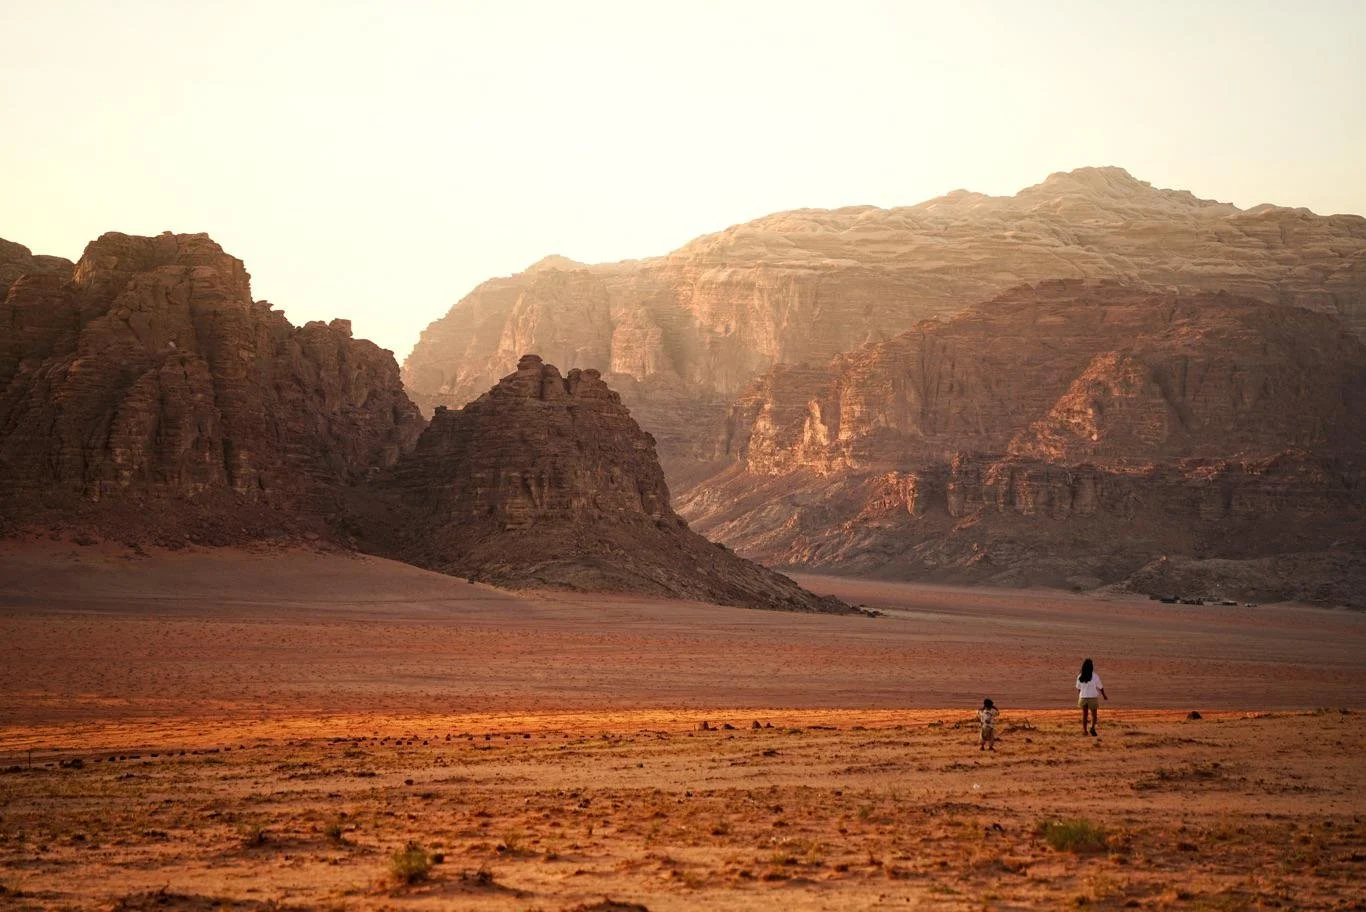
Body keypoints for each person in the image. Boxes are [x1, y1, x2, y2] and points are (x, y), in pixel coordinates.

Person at [1076, 658, 1107, 736]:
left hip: (1083, 697)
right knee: (1094, 715)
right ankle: (1092, 728)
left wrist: (1080, 696)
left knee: (1084, 715)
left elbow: (1078, 688)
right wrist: (1104, 695)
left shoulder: (1080, 676)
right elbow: (1100, 687)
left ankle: (1085, 731)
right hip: (1092, 697)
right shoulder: (1095, 676)